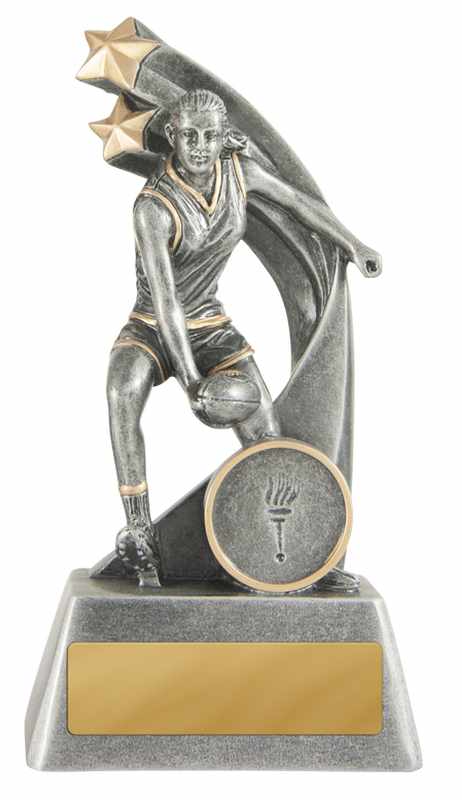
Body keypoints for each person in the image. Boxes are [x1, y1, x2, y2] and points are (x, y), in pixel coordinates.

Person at [107, 89, 381, 587]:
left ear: (222, 138)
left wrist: (353, 243)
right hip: (153, 323)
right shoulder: (153, 206)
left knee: (268, 439)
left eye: (210, 136)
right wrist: (191, 381)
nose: (200, 146)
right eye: (190, 135)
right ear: (173, 137)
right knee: (121, 391)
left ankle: (296, 563)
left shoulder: (240, 172)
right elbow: (166, 302)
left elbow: (299, 203)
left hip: (211, 325)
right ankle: (141, 535)